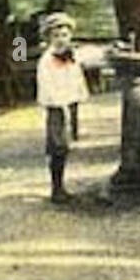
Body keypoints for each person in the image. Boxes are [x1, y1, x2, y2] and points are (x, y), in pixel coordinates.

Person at [35, 12, 108, 203]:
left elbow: (92, 56)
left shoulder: (72, 56)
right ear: (49, 37)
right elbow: (47, 87)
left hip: (71, 103)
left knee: (68, 144)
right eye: (56, 36)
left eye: (65, 35)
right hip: (57, 107)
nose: (61, 40)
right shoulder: (47, 61)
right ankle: (56, 187)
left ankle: (61, 186)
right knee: (57, 146)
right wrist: (60, 104)